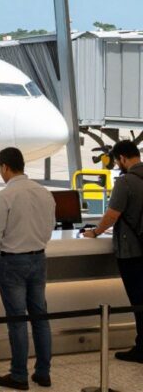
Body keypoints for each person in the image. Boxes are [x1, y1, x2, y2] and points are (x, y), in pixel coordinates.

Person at [0, 147, 55, 390]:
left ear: (5, 167)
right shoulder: (44, 192)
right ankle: (43, 373)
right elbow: (50, 227)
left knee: (17, 321)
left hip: (13, 262)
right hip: (39, 259)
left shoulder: (4, 195)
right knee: (40, 318)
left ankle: (18, 375)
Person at [82, 140, 143, 362]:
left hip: (132, 251)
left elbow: (112, 215)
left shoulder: (125, 182)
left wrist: (95, 232)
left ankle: (142, 347)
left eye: (118, 161)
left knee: (138, 300)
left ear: (123, 159)